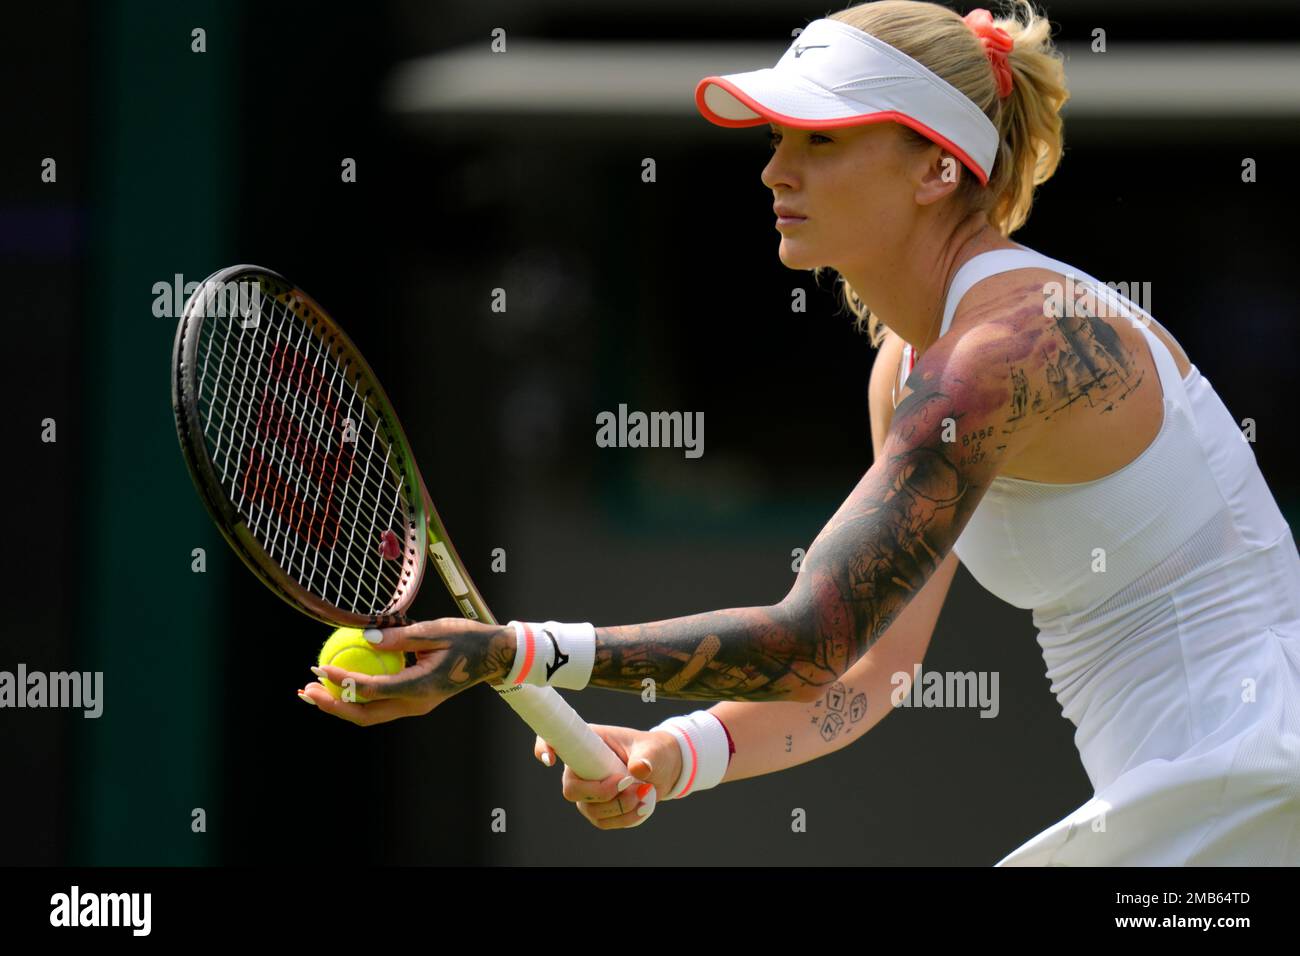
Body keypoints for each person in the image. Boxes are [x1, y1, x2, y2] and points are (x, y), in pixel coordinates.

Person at [298, 1, 1300, 865]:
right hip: (1212, 804)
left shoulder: (1006, 354)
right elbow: (864, 672)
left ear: (934, 169)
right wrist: (676, 751)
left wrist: (513, 651)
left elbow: (807, 638)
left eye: (820, 139)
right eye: (776, 137)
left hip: (1260, 784)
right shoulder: (906, 372)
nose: (776, 168)